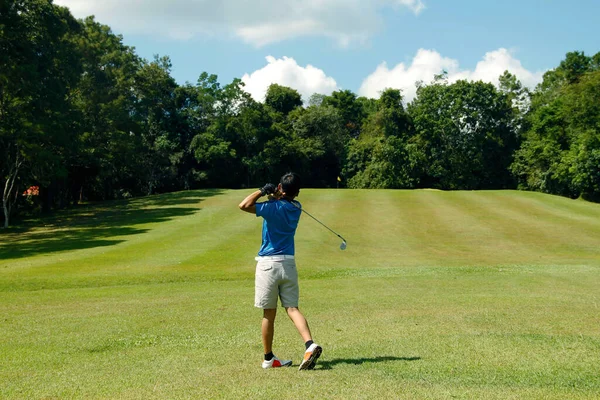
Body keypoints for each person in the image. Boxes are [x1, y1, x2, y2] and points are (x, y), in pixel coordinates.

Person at [238, 172, 322, 370]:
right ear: (297, 193)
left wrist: (262, 191)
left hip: (268, 265)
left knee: (269, 314)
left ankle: (269, 358)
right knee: (292, 308)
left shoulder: (271, 208)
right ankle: (310, 345)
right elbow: (282, 200)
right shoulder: (297, 207)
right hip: (289, 264)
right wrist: (277, 194)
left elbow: (243, 205)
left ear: (280, 187)